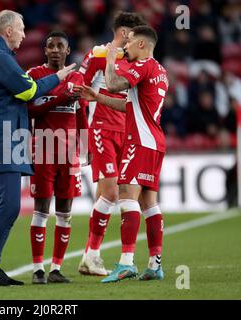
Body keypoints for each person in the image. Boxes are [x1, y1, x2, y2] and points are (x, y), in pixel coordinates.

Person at [0, 10, 75, 287]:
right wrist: (59, 77)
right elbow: (28, 91)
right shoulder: (0, 57)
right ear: (8, 31)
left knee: (9, 206)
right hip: (1, 138)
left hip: (4, 137)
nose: (25, 35)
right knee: (9, 206)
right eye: (22, 29)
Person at [78, 25, 169, 282]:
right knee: (149, 203)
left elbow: (115, 84)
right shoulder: (160, 71)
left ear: (142, 45)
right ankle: (154, 264)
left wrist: (108, 60)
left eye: (128, 45)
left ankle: (126, 262)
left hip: (139, 141)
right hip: (155, 141)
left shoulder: (142, 66)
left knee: (127, 196)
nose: (123, 49)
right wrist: (97, 97)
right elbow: (126, 105)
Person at [27, 31, 88, 284]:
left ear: (67, 50)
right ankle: (38, 269)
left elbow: (81, 114)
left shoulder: (77, 77)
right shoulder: (34, 76)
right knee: (41, 209)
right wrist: (61, 97)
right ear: (45, 50)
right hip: (42, 149)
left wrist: (86, 146)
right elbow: (30, 109)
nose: (54, 49)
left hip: (69, 152)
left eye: (59, 46)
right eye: (50, 46)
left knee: (65, 211)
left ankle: (55, 269)